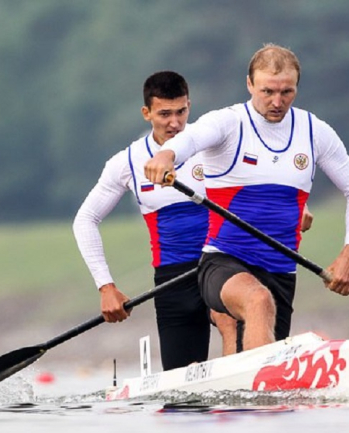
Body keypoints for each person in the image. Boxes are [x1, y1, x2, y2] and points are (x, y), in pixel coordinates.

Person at [144, 44, 349, 352]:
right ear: (250, 84)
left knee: (261, 331)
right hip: (223, 260)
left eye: (287, 92)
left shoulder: (314, 131)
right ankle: (259, 378)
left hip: (281, 271)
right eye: (267, 91)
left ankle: (249, 378)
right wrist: (167, 154)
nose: (277, 102)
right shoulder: (229, 122)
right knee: (258, 300)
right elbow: (192, 138)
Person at [73, 71, 235, 370]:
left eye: (181, 112)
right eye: (164, 114)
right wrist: (106, 287)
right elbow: (85, 219)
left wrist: (293, 209)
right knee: (182, 383)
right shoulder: (126, 162)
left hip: (222, 263)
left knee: (228, 317)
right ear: (146, 113)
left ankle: (240, 379)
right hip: (173, 278)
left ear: (189, 106)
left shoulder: (213, 145)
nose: (175, 123)